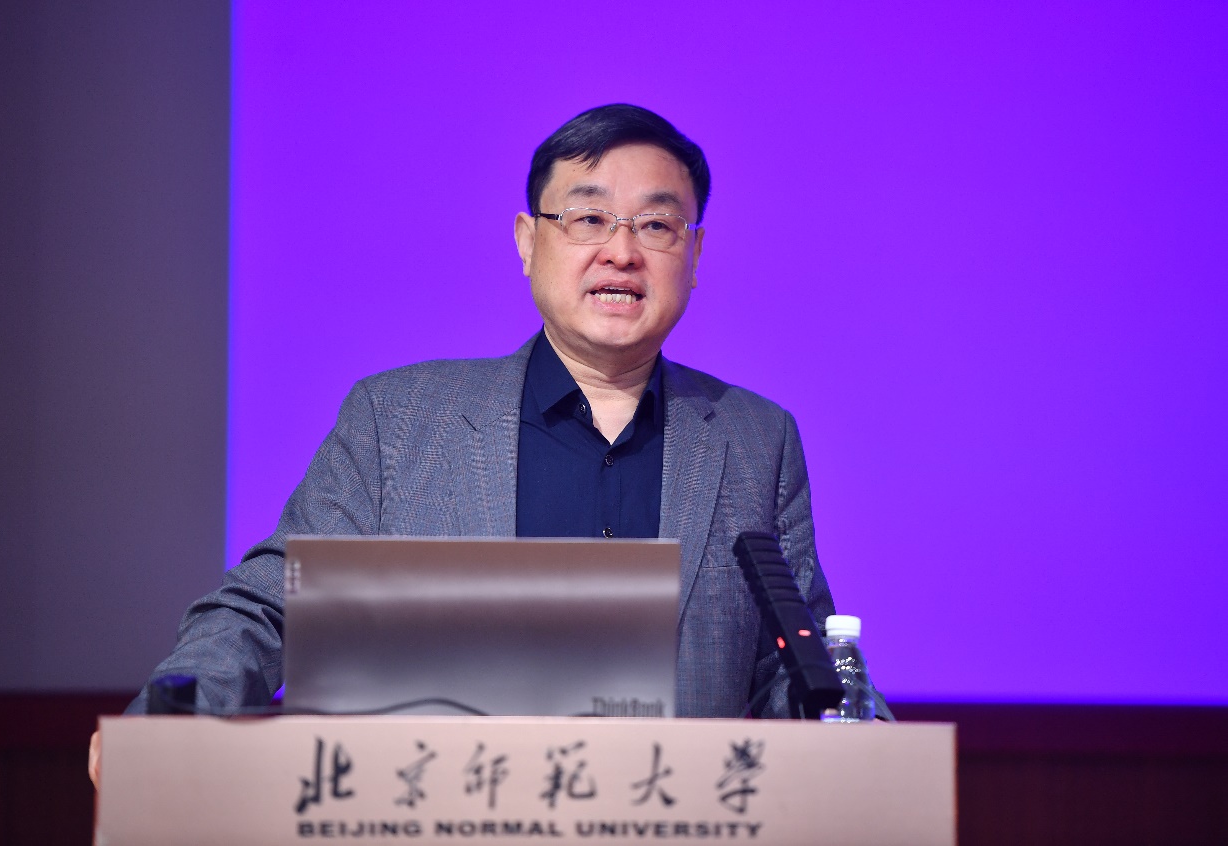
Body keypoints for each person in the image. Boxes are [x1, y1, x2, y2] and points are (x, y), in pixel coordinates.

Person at [110, 103, 890, 742]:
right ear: (527, 241)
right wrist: (163, 726)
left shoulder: (754, 438)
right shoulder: (396, 421)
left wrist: (870, 748)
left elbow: (800, 667)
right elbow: (272, 607)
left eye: (655, 226)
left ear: (693, 255)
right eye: (588, 218)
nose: (621, 252)